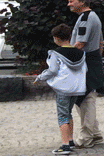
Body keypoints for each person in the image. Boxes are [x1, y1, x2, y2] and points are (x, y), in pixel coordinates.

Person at [35, 23, 86, 155]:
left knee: (62, 115)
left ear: (56, 38)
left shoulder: (56, 53)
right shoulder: (81, 53)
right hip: (76, 89)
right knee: (68, 113)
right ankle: (70, 141)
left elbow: (52, 70)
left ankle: (64, 146)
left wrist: (40, 77)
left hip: (63, 89)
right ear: (70, 36)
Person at [68, 0, 104, 147]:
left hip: (86, 63)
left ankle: (86, 138)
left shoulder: (85, 18)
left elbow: (79, 44)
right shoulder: (93, 16)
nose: (68, 4)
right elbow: (101, 44)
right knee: (84, 99)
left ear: (82, 2)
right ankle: (95, 134)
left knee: (86, 100)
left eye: (71, 1)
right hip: (93, 61)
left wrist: (64, 58)